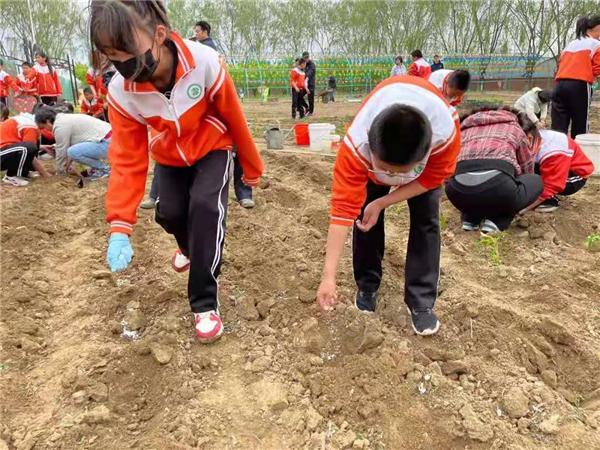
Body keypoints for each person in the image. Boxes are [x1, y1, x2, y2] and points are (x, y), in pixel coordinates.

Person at [90, 0, 263, 343]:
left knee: (204, 208)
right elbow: (126, 158)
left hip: (213, 146)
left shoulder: (204, 62)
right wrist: (120, 225)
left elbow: (234, 116)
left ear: (158, 34)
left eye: (126, 50)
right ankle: (188, 249)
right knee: (168, 213)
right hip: (169, 153)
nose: (121, 63)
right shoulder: (122, 93)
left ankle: (204, 303)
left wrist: (250, 169)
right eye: (111, 55)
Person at [316, 76, 461, 336]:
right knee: (364, 217)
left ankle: (421, 302)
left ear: (425, 153)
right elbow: (341, 212)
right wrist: (328, 277)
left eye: (399, 172)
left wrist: (384, 201)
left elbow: (431, 179)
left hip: (421, 176)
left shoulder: (445, 135)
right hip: (376, 166)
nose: (392, 177)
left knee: (426, 220)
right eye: (385, 169)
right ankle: (368, 285)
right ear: (369, 147)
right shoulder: (355, 146)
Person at [445, 107, 543, 234]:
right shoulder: (515, 128)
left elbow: (447, 166)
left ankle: (470, 219)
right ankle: (498, 221)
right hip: (498, 189)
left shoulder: (462, 130)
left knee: (476, 183)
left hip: (456, 192)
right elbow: (526, 169)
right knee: (535, 180)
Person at [194, 19, 254, 208]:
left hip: (219, 104)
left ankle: (244, 192)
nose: (195, 33)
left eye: (197, 30)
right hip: (200, 109)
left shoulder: (207, 52)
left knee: (236, 144)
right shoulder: (193, 50)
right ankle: (158, 195)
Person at [552, 15, 600, 138]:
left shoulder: (570, 45)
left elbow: (558, 66)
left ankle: (557, 153)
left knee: (558, 127)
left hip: (559, 86)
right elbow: (597, 68)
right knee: (580, 125)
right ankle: (578, 154)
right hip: (579, 86)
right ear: (597, 28)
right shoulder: (595, 44)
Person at [35, 106, 111, 179]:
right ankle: (98, 168)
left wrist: (60, 172)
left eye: (43, 127)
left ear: (47, 121)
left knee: (72, 152)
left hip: (108, 142)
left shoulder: (60, 126)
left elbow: (62, 152)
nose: (45, 130)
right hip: (110, 139)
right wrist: (56, 146)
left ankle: (104, 169)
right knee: (73, 151)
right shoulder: (63, 119)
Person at [532, 129, 594, 213]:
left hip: (576, 176)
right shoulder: (534, 135)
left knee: (538, 182)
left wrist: (522, 210)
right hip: (559, 164)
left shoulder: (553, 151)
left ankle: (549, 200)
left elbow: (554, 184)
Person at [0, 104, 50, 186]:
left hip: (6, 151)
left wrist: (43, 147)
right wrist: (44, 174)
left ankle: (24, 172)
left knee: (33, 145)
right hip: (2, 154)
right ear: (46, 121)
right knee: (28, 147)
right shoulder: (31, 126)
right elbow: (29, 150)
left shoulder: (29, 120)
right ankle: (11, 175)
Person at [302, 51, 316, 116]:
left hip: (310, 85)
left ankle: (311, 112)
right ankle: (307, 107)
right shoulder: (303, 65)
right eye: (305, 58)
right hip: (304, 85)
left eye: (307, 57)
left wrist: (306, 78)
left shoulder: (312, 64)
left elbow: (310, 72)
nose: (306, 59)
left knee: (310, 98)